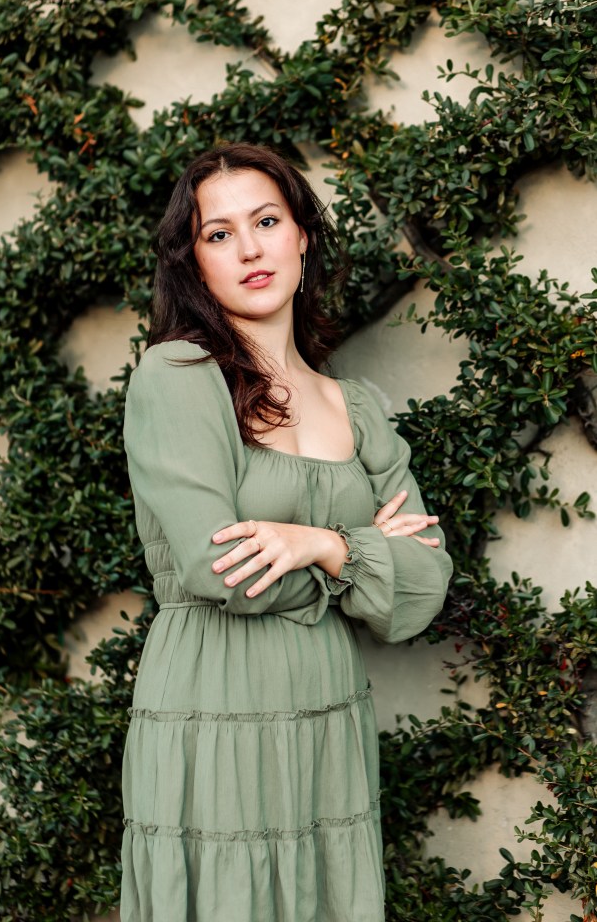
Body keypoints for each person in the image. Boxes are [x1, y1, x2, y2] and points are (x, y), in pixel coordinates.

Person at [121, 142, 452, 922]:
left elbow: (421, 586)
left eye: (266, 221)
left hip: (328, 703)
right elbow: (220, 570)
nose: (249, 248)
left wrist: (323, 545)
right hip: (213, 697)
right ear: (194, 263)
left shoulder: (355, 406)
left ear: (302, 234)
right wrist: (361, 558)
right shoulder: (176, 376)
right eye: (218, 233)